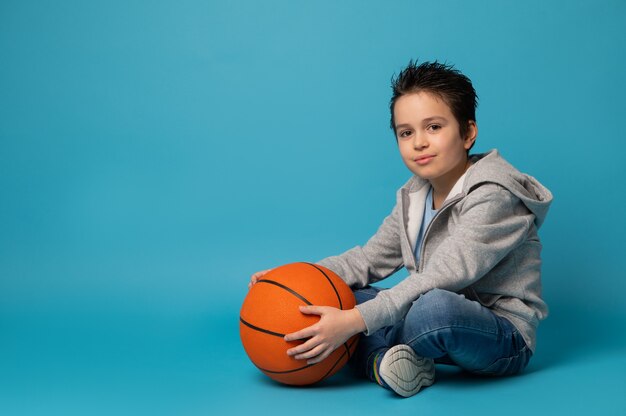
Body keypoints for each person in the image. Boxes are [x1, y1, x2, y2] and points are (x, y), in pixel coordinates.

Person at [249, 60, 553, 397]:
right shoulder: (414, 194)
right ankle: (386, 364)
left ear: (468, 133)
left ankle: (369, 347)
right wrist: (294, 277)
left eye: (434, 127)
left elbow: (441, 277)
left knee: (429, 309)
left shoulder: (495, 196)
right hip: (428, 309)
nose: (418, 142)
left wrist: (353, 322)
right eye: (406, 132)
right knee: (340, 296)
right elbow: (367, 262)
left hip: (500, 336)